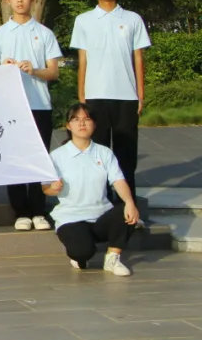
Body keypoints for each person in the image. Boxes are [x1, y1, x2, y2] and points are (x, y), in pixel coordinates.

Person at [0, 0, 62, 232]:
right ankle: (20, 211)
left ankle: (39, 210)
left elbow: (54, 72)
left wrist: (34, 70)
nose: (19, 0)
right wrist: (3, 68)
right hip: (9, 107)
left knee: (39, 158)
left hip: (39, 104)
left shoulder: (44, 33)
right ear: (7, 0)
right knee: (15, 158)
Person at [69, 0, 151, 198]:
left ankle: (127, 203)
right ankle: (101, 200)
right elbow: (82, 60)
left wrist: (140, 95)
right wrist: (82, 97)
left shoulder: (133, 19)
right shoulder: (83, 20)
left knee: (126, 153)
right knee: (98, 152)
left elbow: (138, 58)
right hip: (95, 96)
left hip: (126, 96)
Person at [43, 103, 139, 275]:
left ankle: (112, 258)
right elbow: (45, 189)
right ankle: (79, 252)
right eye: (76, 119)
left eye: (87, 119)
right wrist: (53, 188)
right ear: (68, 125)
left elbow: (118, 180)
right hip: (71, 217)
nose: (82, 123)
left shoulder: (104, 153)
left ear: (94, 124)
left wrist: (130, 202)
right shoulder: (56, 156)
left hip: (101, 215)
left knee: (127, 210)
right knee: (82, 252)